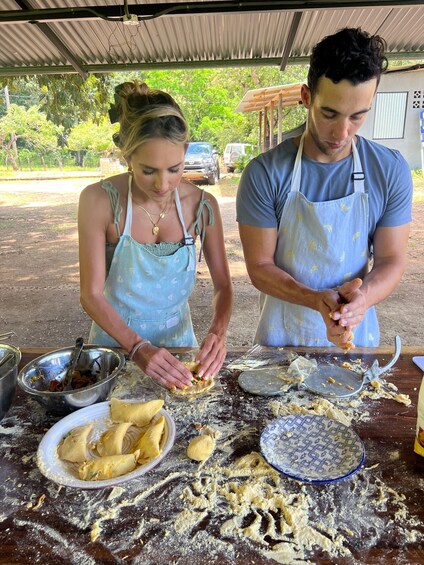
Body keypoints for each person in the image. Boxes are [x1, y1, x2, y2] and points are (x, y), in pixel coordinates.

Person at [236, 27, 412, 350]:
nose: (342, 132)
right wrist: (314, 299)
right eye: (329, 113)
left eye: (357, 117)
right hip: (281, 346)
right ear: (306, 97)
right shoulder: (264, 173)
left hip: (355, 345)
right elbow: (259, 267)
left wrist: (360, 300)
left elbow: (391, 259)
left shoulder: (390, 170)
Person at [78, 81, 233, 390]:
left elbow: (224, 286)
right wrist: (137, 347)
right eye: (148, 171)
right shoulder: (99, 201)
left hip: (179, 353)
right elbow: (91, 295)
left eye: (174, 169)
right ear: (127, 157)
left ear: (186, 151)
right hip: (113, 354)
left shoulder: (203, 207)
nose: (163, 185)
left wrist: (218, 331)